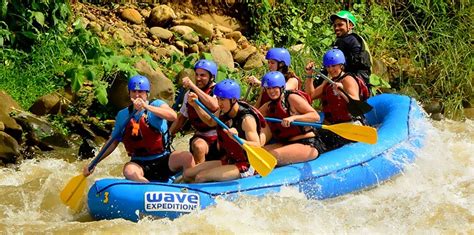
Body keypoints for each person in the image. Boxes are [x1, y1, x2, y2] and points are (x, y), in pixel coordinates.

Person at [83, 75, 195, 183]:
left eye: (140, 92)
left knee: (186, 157)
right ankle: (146, 188)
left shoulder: (156, 104)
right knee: (129, 170)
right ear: (129, 93)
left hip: (163, 158)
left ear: (147, 94)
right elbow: (112, 142)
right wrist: (94, 162)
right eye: (134, 92)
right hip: (139, 163)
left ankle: (193, 186)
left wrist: (146, 107)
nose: (137, 95)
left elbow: (172, 115)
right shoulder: (123, 115)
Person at [183, 79, 266, 183]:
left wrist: (237, 139)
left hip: (247, 165)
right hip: (230, 160)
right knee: (188, 174)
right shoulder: (223, 111)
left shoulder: (246, 119)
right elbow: (210, 122)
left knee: (201, 177)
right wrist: (196, 105)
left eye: (222, 99)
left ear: (233, 100)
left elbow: (257, 146)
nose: (219, 103)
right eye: (217, 99)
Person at [304, 49, 369, 150]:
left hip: (350, 125)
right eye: (328, 66)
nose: (330, 69)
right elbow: (310, 95)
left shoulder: (348, 80)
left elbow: (357, 106)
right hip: (333, 126)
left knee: (316, 142)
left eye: (333, 66)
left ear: (341, 65)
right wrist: (309, 75)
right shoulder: (328, 82)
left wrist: (342, 91)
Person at [258, 71, 326, 166]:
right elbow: (254, 116)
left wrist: (293, 118)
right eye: (268, 88)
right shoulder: (269, 106)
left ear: (281, 87)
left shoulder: (291, 98)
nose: (271, 91)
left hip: (307, 144)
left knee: (270, 156)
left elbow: (315, 116)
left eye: (274, 87)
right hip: (286, 144)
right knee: (257, 153)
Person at [169, 59, 220, 164]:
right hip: (202, 136)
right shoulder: (189, 94)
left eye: (202, 75)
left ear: (212, 77)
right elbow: (181, 118)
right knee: (199, 146)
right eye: (196, 75)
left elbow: (214, 106)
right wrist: (169, 135)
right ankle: (199, 175)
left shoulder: (218, 91)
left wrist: (193, 86)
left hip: (220, 135)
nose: (198, 78)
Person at [328, 10, 372, 86]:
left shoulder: (352, 40)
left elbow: (358, 64)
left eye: (340, 25)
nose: (336, 28)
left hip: (355, 81)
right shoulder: (342, 40)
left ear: (350, 25)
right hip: (349, 79)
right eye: (335, 26)